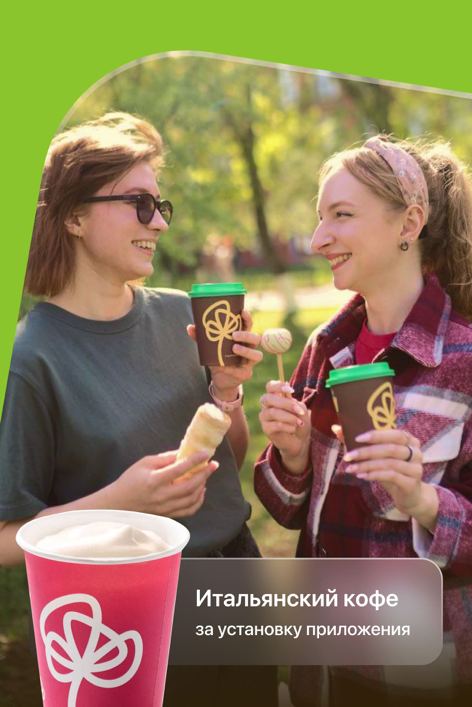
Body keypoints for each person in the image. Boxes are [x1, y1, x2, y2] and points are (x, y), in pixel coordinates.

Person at [0, 111, 277, 707]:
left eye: (161, 205)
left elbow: (227, 461)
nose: (158, 222)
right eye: (138, 204)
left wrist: (227, 393)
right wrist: (123, 501)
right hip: (129, 617)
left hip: (236, 583)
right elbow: (5, 539)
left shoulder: (184, 316)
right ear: (73, 216)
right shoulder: (29, 358)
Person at [255, 135, 472, 707]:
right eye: (319, 217)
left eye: (342, 215)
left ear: (410, 223)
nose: (319, 237)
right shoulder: (325, 349)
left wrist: (424, 502)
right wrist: (294, 454)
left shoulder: (464, 363)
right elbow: (285, 510)